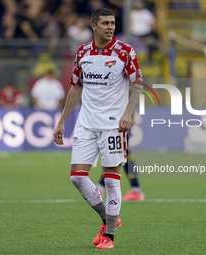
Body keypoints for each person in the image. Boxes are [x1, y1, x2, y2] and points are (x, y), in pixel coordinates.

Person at [53, 8, 143, 249]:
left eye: (112, 23)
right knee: (77, 178)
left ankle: (109, 236)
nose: (110, 27)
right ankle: (107, 218)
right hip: (86, 123)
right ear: (93, 26)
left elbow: (138, 84)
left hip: (114, 125)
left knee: (112, 181)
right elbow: (75, 87)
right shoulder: (83, 52)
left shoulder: (125, 51)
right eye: (104, 23)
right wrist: (62, 121)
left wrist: (127, 113)